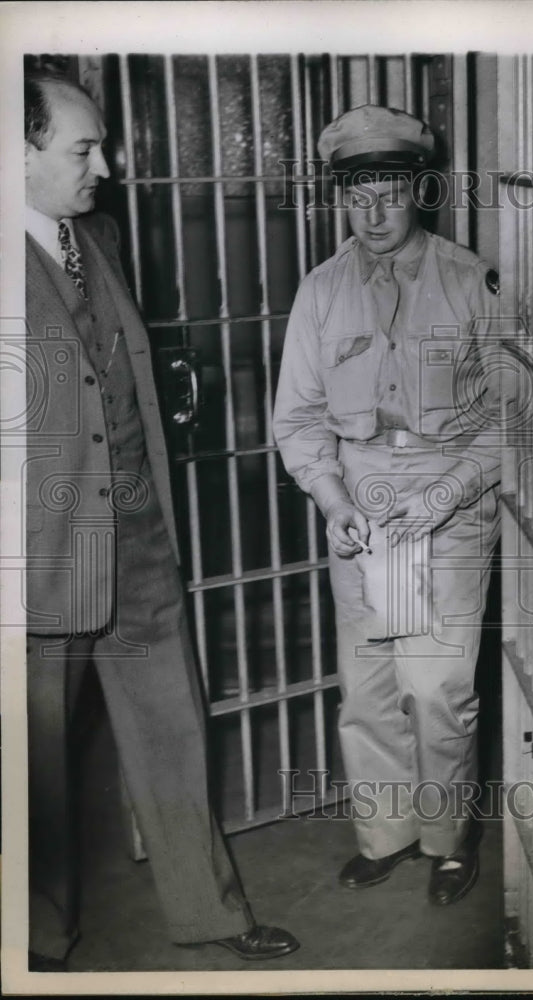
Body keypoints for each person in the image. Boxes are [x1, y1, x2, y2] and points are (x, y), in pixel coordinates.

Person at [23, 73, 299, 970]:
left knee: (173, 731)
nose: (104, 165)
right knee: (35, 767)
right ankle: (34, 943)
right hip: (38, 555)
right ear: (14, 151)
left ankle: (211, 912)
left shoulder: (96, 236)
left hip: (139, 530)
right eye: (82, 149)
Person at [273, 105, 502, 906]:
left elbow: (511, 422)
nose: (370, 213)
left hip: (446, 499)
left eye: (387, 191)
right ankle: (387, 834)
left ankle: (446, 841)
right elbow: (297, 419)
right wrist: (333, 500)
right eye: (356, 194)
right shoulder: (322, 290)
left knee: (435, 685)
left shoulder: (472, 280)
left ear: (417, 191)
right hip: (362, 504)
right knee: (368, 684)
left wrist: (444, 496)